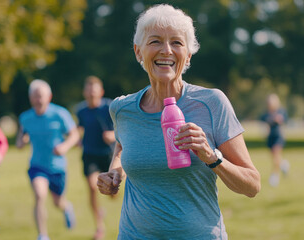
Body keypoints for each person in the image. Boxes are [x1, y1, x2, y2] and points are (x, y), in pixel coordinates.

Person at [97, 4, 261, 239]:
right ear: (138, 51)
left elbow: (252, 186)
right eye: (155, 41)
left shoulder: (212, 103)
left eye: (176, 42)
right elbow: (122, 145)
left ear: (188, 56)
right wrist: (114, 174)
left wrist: (211, 157)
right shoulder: (122, 109)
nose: (166, 50)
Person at [16, 79, 80, 240]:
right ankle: (42, 235)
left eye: (41, 96)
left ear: (49, 97)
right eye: (34, 96)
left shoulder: (60, 114)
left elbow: (74, 135)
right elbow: (21, 138)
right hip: (37, 166)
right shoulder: (25, 117)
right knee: (39, 194)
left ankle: (66, 208)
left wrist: (64, 147)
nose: (38, 100)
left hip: (57, 167)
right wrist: (21, 142)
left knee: (58, 202)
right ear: (30, 98)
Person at [76, 76, 115, 240]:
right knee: (93, 187)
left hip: (109, 155)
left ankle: (106, 201)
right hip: (90, 154)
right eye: (89, 91)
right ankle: (99, 227)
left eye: (95, 91)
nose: (92, 94)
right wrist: (77, 138)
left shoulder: (110, 107)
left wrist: (112, 136)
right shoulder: (80, 110)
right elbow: (79, 127)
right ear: (85, 93)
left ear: (101, 92)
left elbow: (122, 129)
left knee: (112, 191)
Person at [261, 93, 289, 187]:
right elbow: (263, 119)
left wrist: (276, 119)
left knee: (276, 154)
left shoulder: (281, 111)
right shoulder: (266, 113)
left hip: (278, 136)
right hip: (270, 137)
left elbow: (283, 119)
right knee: (275, 157)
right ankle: (284, 165)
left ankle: (275, 175)